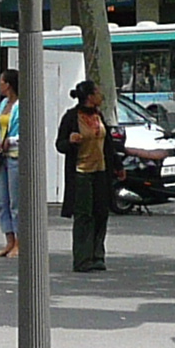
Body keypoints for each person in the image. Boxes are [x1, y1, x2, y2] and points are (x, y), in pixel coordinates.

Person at [55, 79, 112, 273]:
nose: (101, 96)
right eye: (98, 92)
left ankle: (98, 255)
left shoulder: (99, 116)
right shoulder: (72, 117)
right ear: (89, 97)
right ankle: (82, 258)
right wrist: (70, 141)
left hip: (100, 171)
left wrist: (118, 167)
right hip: (81, 174)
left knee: (101, 213)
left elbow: (108, 144)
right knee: (83, 216)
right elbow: (60, 144)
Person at [0, 68, 22, 260]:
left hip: (15, 155)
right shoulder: (3, 104)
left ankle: (19, 241)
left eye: (1, 81)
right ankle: (8, 239)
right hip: (1, 156)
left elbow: (25, 132)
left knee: (15, 202)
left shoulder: (21, 105)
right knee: (2, 201)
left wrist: (10, 141)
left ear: (8, 84)